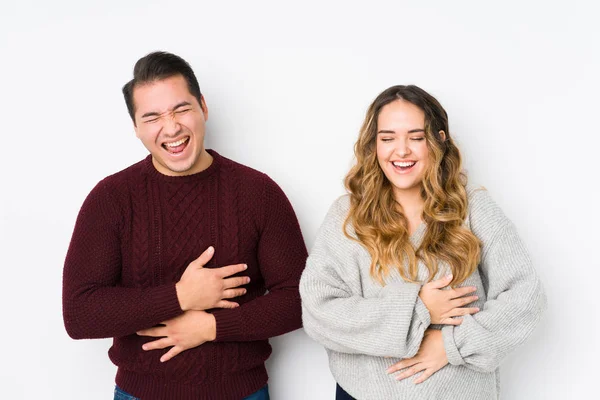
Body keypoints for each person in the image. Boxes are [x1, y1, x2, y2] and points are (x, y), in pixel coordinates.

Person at [62, 51, 308, 400]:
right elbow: (80, 314)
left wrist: (211, 327)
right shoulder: (111, 198)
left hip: (241, 393)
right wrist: (180, 296)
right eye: (153, 117)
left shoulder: (258, 193)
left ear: (203, 107)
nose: (171, 126)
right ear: (136, 127)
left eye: (181, 109)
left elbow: (300, 299)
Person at [299, 85, 546, 399]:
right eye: (387, 138)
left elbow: (526, 297)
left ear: (439, 140)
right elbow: (319, 313)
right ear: (373, 145)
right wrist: (419, 308)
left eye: (416, 137)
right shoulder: (347, 216)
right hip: (363, 392)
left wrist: (450, 345)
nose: (401, 151)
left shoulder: (473, 209)